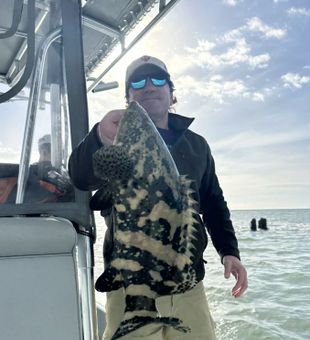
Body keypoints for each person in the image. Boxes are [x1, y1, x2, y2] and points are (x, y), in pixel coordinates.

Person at [69, 55, 248, 339]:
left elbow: (213, 202)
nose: (149, 86)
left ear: (171, 92)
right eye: (138, 82)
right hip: (131, 286)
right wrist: (100, 136)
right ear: (128, 96)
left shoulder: (197, 145)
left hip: (187, 284)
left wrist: (229, 251)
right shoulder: (115, 136)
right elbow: (81, 178)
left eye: (158, 79)